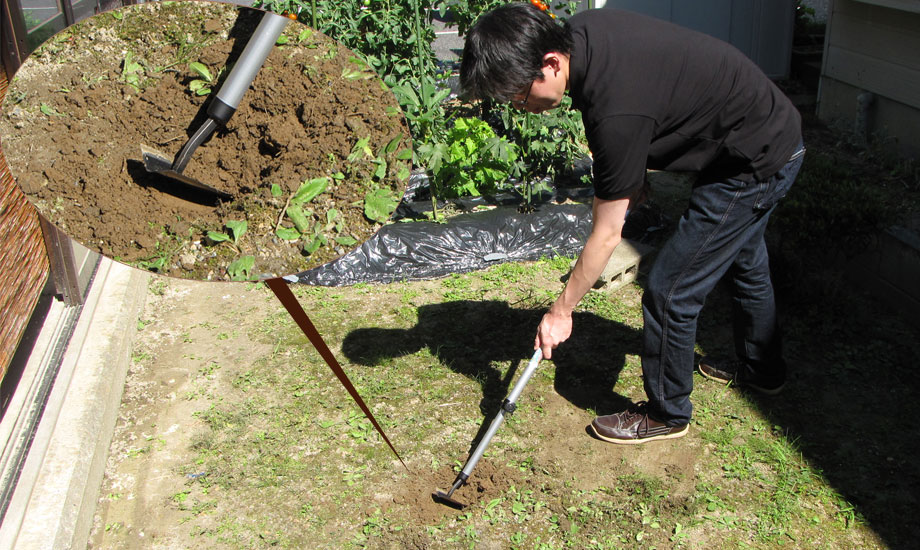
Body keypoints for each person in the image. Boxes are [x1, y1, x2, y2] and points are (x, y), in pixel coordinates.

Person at [460, 2, 805, 444]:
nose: (518, 105)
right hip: (760, 131)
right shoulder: (581, 34)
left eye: (518, 94)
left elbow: (607, 233)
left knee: (669, 290)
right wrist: (634, 173)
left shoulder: (615, 112)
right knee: (744, 259)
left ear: (550, 63)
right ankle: (764, 371)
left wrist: (560, 311)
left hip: (753, 161)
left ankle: (668, 412)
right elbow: (656, 89)